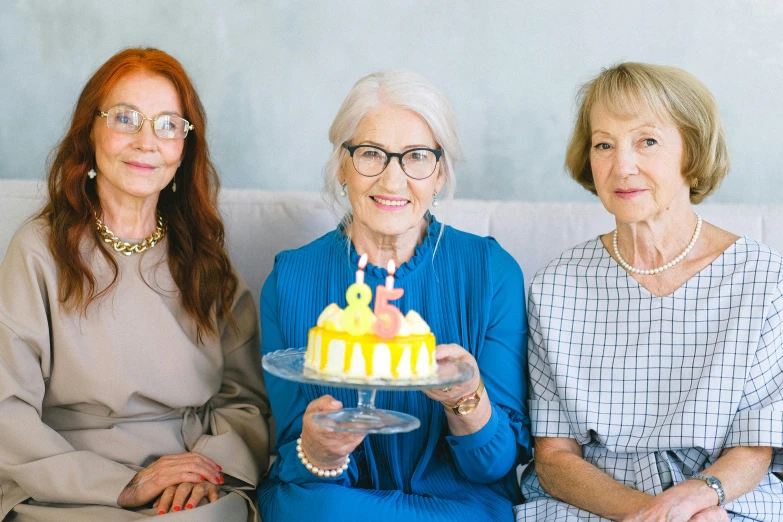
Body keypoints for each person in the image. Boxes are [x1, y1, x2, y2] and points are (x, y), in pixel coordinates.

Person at [0, 48, 270, 521]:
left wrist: (204, 472)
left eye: (168, 124)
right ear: (90, 131)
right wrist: (123, 485)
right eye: (126, 118)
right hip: (68, 483)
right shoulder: (37, 251)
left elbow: (245, 397)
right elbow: (7, 410)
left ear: (184, 149)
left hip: (192, 482)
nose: (148, 141)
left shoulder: (204, 255)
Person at [258, 70, 531, 521]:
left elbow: (494, 467)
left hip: (458, 507)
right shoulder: (290, 278)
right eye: (370, 154)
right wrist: (321, 451)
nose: (392, 180)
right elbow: (295, 461)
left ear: (440, 173)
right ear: (342, 166)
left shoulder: (491, 272)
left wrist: (466, 397)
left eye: (417, 157)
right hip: (333, 504)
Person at [516, 62, 783, 521]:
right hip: (594, 500)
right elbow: (555, 458)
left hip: (723, 495)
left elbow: (754, 447)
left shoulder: (763, 277)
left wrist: (692, 504)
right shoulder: (555, 285)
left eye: (648, 141)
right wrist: (646, 514)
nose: (622, 166)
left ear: (691, 151)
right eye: (604, 145)